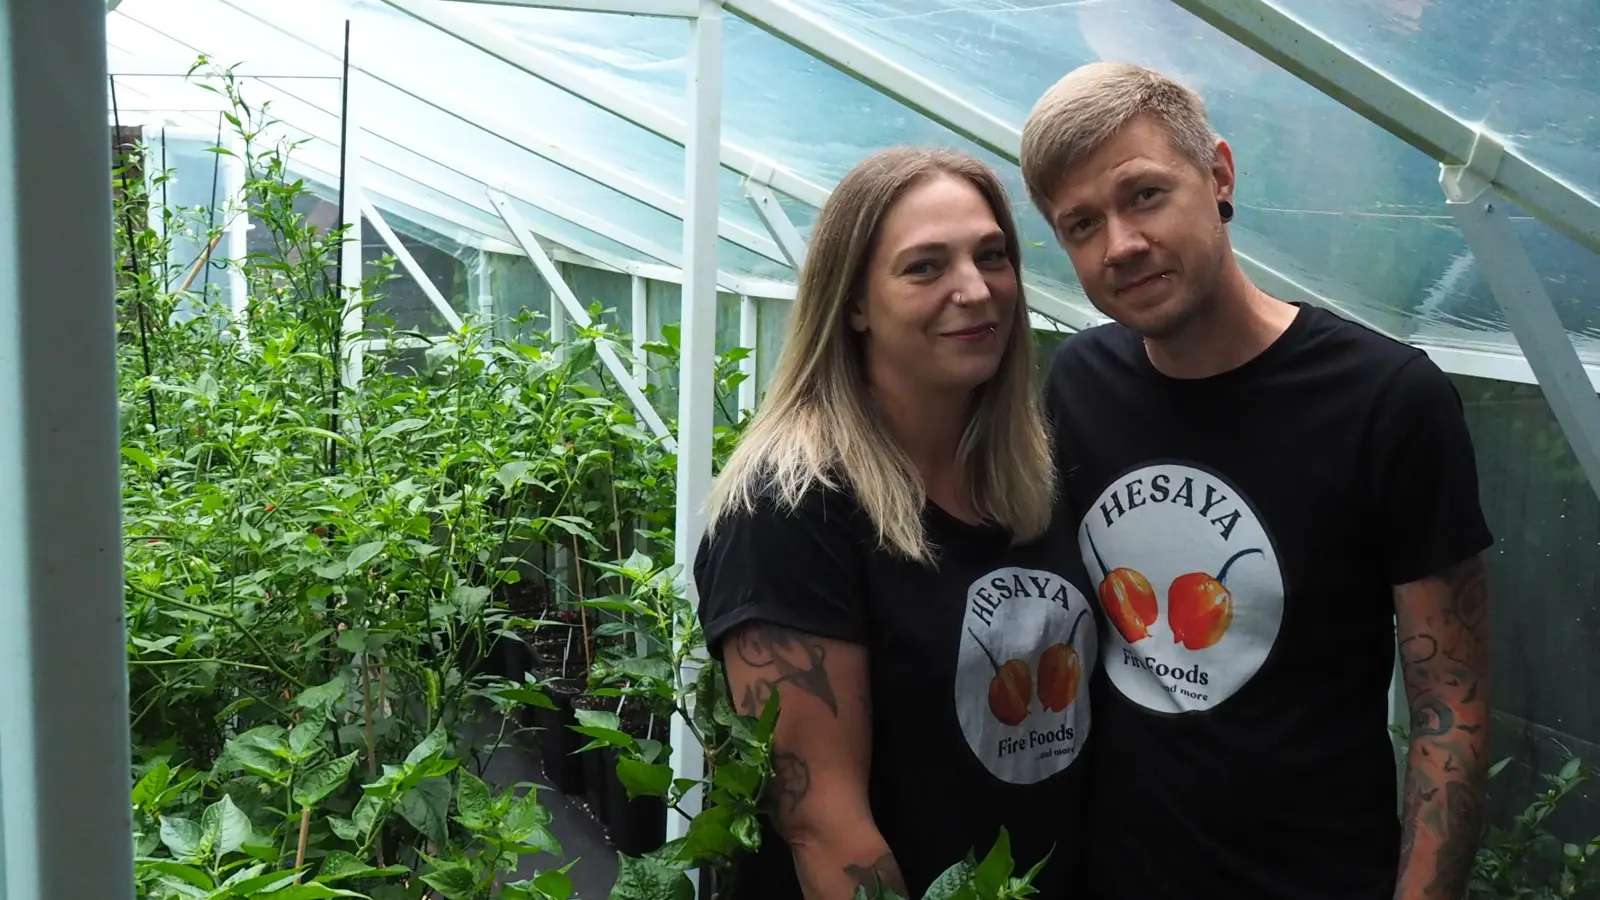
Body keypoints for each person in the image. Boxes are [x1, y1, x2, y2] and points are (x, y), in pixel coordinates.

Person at [1018, 61, 1494, 900]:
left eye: (1144, 196)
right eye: (1081, 224)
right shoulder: (1080, 384)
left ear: (1220, 175)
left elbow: (1448, 712)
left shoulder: (1385, 401)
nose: (1120, 245)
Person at [692, 147, 1098, 900]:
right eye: (924, 268)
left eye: (992, 256)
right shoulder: (790, 506)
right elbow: (821, 823)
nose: (975, 290)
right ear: (853, 303)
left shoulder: (1031, 470)